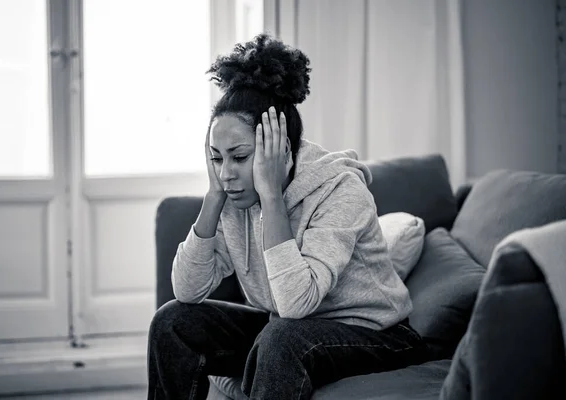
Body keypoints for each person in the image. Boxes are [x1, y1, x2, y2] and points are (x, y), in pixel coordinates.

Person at [147, 33, 430, 400]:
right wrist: (214, 195)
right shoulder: (230, 193)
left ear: (278, 149)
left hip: (377, 336)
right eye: (217, 158)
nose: (226, 172)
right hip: (288, 330)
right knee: (172, 321)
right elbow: (187, 290)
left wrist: (271, 198)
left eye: (239, 156)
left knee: (281, 337)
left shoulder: (341, 190)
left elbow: (297, 303)